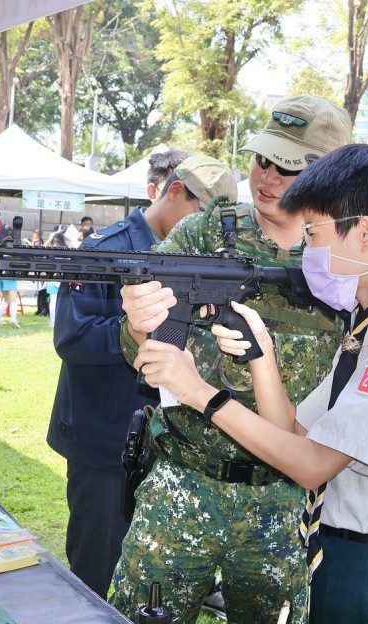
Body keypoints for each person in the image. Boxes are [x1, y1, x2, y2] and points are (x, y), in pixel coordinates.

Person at [133, 144, 368, 624]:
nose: (307, 250)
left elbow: (311, 466)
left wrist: (200, 393)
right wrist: (261, 355)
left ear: (366, 231)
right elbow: (294, 431)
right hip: (344, 549)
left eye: (314, 233)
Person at [110, 95, 352, 624]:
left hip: (277, 502)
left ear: (326, 176)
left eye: (286, 167)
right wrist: (138, 325)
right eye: (262, 159)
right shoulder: (203, 232)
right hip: (181, 483)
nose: (266, 176)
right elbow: (144, 353)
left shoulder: (343, 263)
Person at [48, 155, 238, 599]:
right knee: (98, 572)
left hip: (172, 444)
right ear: (174, 191)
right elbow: (72, 338)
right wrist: (134, 334)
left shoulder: (201, 256)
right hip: (106, 441)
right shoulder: (104, 250)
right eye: (199, 213)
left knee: (156, 579)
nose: (205, 231)